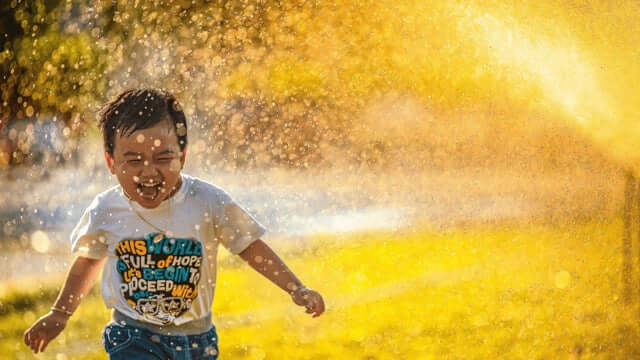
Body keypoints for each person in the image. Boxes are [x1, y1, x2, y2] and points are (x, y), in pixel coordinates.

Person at [23, 88, 325, 359]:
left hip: (198, 339)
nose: (149, 171)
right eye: (134, 160)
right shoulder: (107, 209)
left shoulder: (208, 201)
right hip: (133, 336)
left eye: (163, 157)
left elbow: (249, 245)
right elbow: (88, 262)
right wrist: (60, 314)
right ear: (111, 163)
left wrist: (295, 288)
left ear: (182, 156)